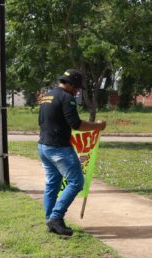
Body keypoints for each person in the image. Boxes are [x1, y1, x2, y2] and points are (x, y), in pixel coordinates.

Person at [38, 69, 106, 236]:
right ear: (69, 84)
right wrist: (98, 125)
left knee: (52, 184)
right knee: (76, 182)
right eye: (76, 87)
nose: (77, 91)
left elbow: (41, 121)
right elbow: (76, 124)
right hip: (59, 148)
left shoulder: (47, 96)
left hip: (44, 147)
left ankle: (50, 221)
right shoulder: (66, 98)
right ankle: (56, 217)